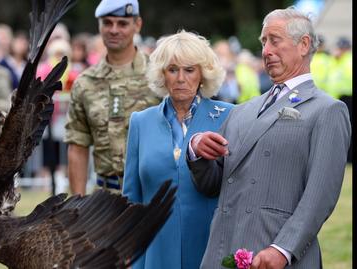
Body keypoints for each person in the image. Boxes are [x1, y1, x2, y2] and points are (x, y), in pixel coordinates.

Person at [187, 7, 351, 269]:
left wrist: (283, 248)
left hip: (275, 255)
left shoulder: (327, 110)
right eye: (263, 42)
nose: (265, 51)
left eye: (274, 40)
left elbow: (320, 195)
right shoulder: (242, 111)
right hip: (221, 253)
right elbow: (212, 183)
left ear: (303, 45)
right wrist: (196, 150)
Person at [122, 30, 233, 269]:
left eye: (189, 69)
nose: (181, 78)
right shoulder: (141, 122)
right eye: (173, 70)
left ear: (203, 74)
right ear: (162, 75)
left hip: (211, 249)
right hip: (155, 253)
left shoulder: (229, 116)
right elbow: (132, 199)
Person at [64, 0, 161, 195]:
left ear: (137, 25)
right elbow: (77, 146)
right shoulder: (85, 83)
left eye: (122, 23)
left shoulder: (159, 75)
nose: (114, 30)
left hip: (153, 198)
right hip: (106, 201)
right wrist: (78, 205)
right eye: (107, 23)